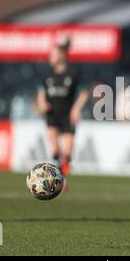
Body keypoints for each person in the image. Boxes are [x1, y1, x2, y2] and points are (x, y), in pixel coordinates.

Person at [37, 36, 89, 191]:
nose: (50, 58)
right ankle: (57, 180)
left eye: (52, 55)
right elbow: (40, 93)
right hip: (52, 115)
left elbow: (84, 93)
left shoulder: (73, 74)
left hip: (68, 116)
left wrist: (76, 109)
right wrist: (42, 104)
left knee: (67, 154)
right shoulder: (47, 75)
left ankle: (62, 175)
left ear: (61, 56)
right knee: (54, 150)